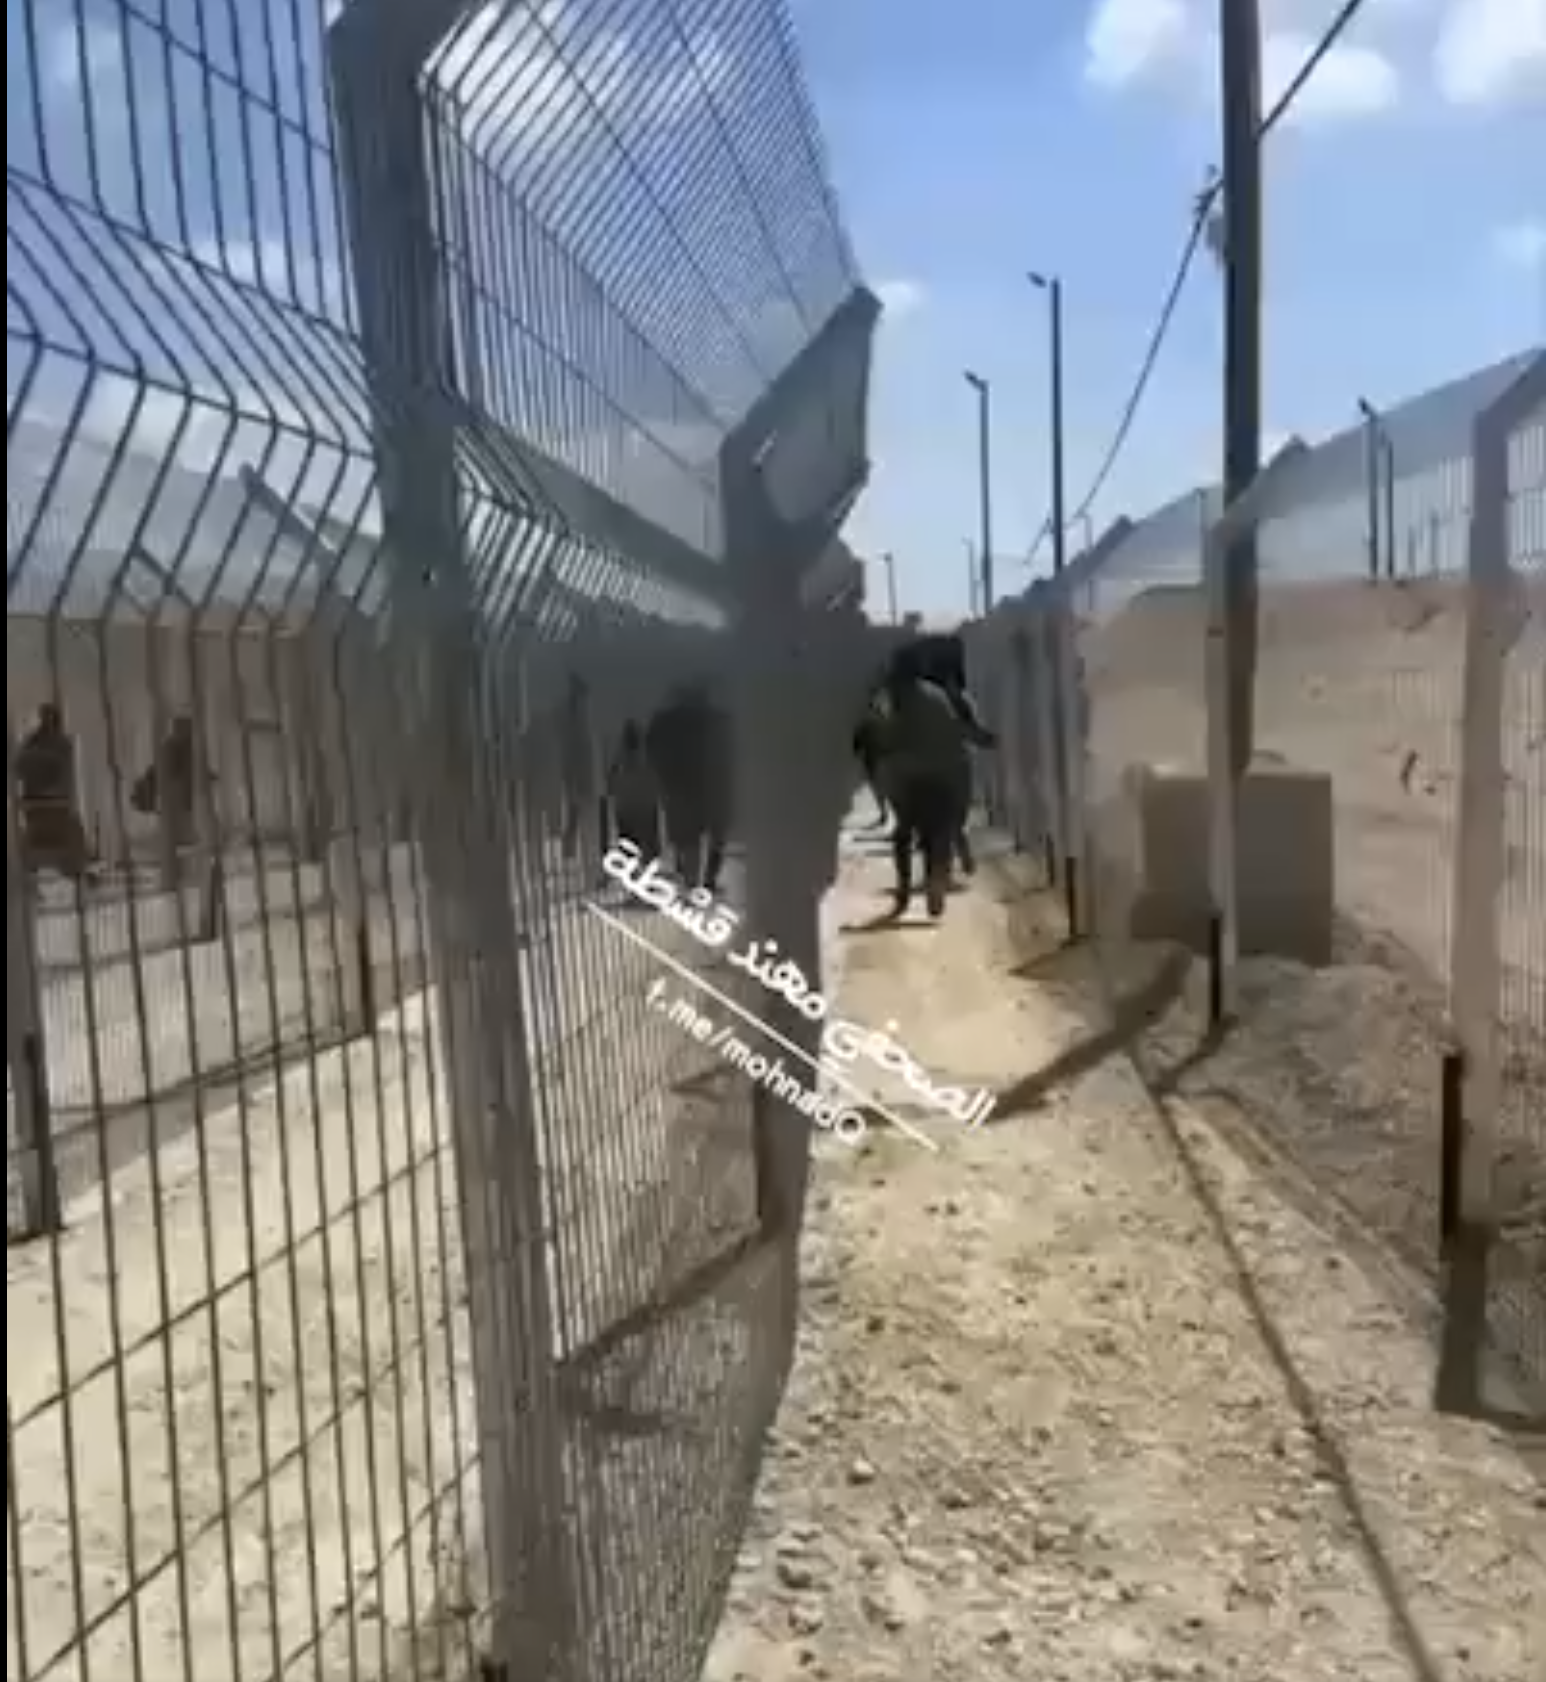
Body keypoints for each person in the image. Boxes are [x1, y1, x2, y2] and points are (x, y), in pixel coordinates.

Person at [874, 646, 990, 919]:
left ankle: (904, 893)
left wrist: (885, 754)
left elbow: (891, 733)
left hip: (916, 775)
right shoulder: (935, 694)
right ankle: (936, 877)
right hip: (946, 772)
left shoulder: (897, 696)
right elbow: (956, 729)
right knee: (937, 832)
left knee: (903, 835)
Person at [645, 680, 732, 893]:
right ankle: (705, 881)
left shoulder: (664, 721)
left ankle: (691, 881)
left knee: (687, 840)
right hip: (708, 786)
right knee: (714, 836)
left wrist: (662, 778)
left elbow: (651, 749)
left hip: (679, 787)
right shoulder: (717, 720)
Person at [16, 703, 95, 884]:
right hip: (50, 804)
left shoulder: (34, 743)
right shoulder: (60, 744)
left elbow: (19, 769)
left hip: (41, 805)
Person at [606, 720, 660, 863]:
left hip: (625, 808)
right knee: (648, 845)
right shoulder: (649, 756)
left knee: (629, 846)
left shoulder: (619, 759)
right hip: (645, 808)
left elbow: (610, 784)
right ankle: (647, 867)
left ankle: (633, 868)